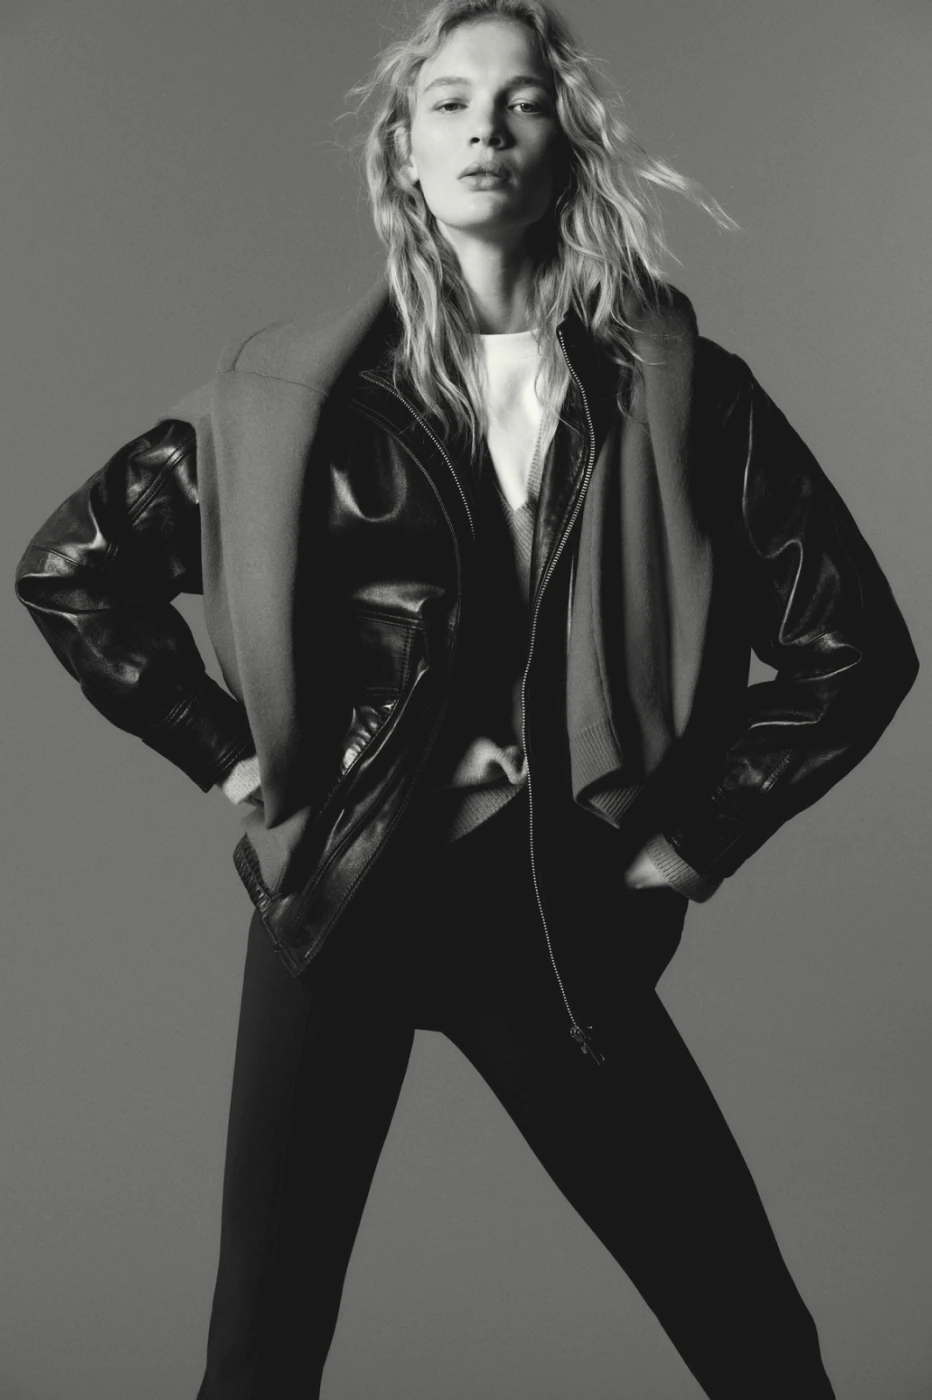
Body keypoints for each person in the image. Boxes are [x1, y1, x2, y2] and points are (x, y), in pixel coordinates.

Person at [14, 1, 919, 1396]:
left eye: (523, 100)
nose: (486, 128)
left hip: (548, 908)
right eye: (449, 101)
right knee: (259, 1355)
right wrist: (227, 753)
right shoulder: (294, 399)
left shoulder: (683, 394)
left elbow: (853, 648)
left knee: (754, 1337)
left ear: (569, 142)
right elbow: (72, 570)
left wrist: (692, 843)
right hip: (341, 899)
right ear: (404, 149)